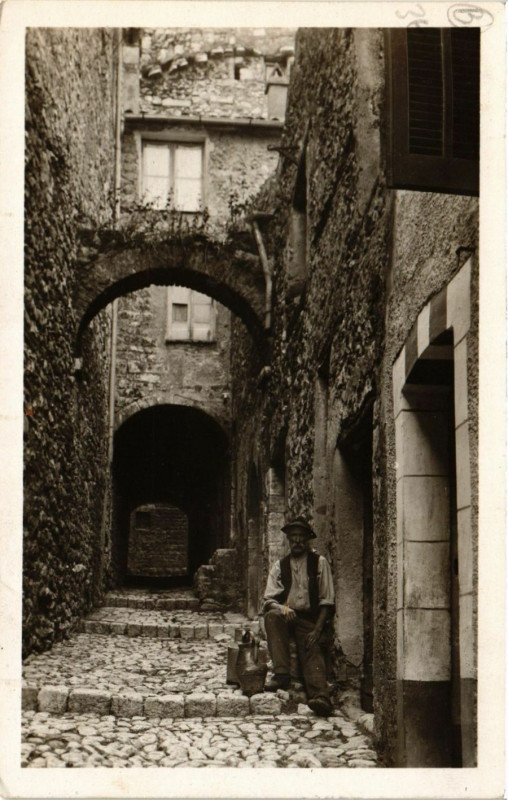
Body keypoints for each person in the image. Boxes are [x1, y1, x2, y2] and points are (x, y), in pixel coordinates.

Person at [262, 515, 335, 717]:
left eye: (301, 537)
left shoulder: (319, 564)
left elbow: (327, 601)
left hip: (308, 618)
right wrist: (283, 609)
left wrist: (317, 629)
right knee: (271, 617)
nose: (297, 542)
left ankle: (320, 697)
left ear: (307, 540)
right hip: (287, 615)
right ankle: (282, 674)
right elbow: (268, 600)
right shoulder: (280, 566)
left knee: (311, 644)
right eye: (293, 537)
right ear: (288, 540)